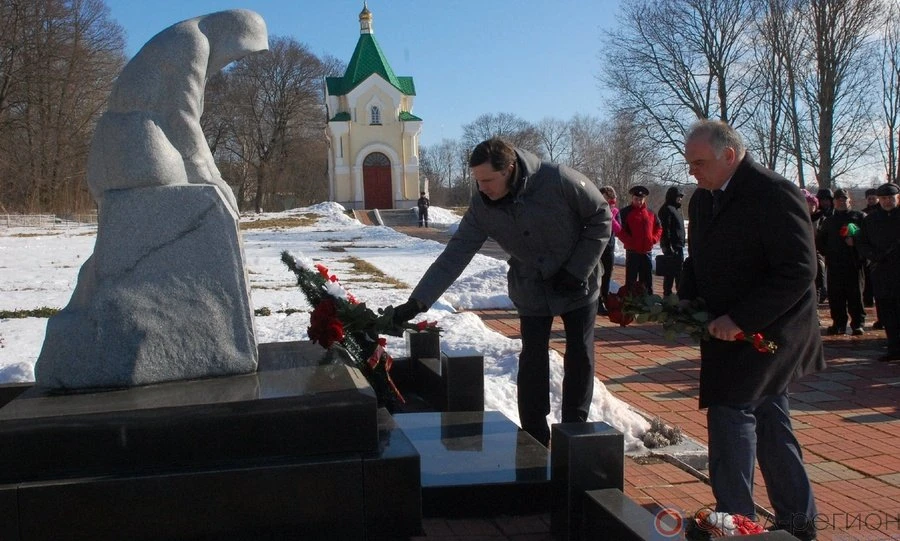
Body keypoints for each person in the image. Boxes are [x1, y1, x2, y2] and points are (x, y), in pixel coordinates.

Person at [392, 137, 611, 445]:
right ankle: (534, 437)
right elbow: (456, 253)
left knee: (579, 354)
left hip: (578, 279)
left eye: (488, 180)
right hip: (531, 286)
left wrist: (578, 269)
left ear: (509, 169)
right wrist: (417, 302)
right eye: (477, 181)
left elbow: (601, 216)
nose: (482, 188)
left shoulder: (557, 179)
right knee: (532, 358)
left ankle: (574, 430)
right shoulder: (482, 206)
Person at [680, 120, 823, 540]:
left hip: (770, 331)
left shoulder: (773, 193)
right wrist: (685, 302)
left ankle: (735, 523)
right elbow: (698, 258)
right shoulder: (704, 199)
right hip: (726, 331)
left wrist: (742, 319)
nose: (693, 172)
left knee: (730, 413)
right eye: (689, 164)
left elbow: (799, 270)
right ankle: (799, 525)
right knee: (771, 424)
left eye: (699, 162)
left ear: (730, 155)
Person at [857, 182, 900, 362]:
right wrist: (873, 255)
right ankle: (894, 348)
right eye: (883, 198)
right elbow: (861, 243)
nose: (887, 201)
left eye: (891, 197)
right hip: (882, 271)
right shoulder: (871, 220)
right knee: (887, 312)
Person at [817, 189, 866, 335]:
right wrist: (829, 252)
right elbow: (820, 240)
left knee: (855, 296)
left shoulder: (859, 217)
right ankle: (838, 323)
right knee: (836, 296)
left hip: (854, 264)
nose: (841, 202)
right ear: (834, 201)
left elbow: (868, 238)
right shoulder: (829, 221)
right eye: (838, 199)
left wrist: (856, 243)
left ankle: (858, 324)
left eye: (844, 199)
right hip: (835, 264)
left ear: (849, 200)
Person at [617, 185, 662, 294]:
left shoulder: (651, 213)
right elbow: (619, 229)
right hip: (632, 252)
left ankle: (648, 302)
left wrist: (654, 239)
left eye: (641, 199)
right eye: (636, 199)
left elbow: (659, 227)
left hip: (647, 252)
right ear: (632, 198)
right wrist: (629, 241)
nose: (639, 201)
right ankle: (629, 303)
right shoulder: (625, 212)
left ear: (644, 199)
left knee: (647, 281)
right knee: (631, 281)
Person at [597, 186, 622, 315]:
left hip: (609, 248)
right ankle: (596, 301)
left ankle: (605, 299)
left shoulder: (615, 212)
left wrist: (610, 216)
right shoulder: (595, 210)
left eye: (608, 199)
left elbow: (618, 229)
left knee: (606, 276)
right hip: (597, 248)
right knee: (596, 276)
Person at [657, 186, 685, 298]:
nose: (680, 199)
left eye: (681, 197)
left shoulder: (676, 209)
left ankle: (679, 297)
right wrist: (667, 246)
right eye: (679, 196)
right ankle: (667, 297)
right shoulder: (667, 209)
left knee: (679, 275)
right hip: (672, 247)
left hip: (679, 246)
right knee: (669, 275)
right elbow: (665, 229)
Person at [861, 188, 879, 311]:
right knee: (867, 276)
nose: (871, 200)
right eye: (869, 198)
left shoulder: (882, 211)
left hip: (881, 249)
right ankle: (867, 299)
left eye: (873, 198)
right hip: (868, 250)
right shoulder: (863, 213)